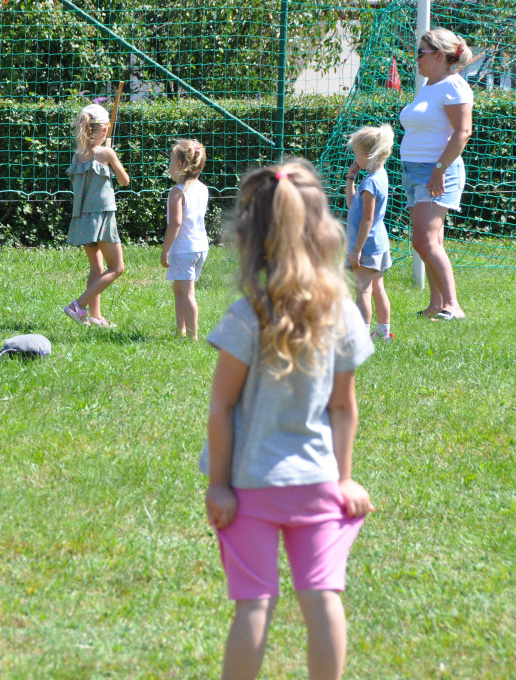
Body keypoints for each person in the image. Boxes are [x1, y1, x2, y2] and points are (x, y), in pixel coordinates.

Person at [201, 161, 376, 680]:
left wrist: (219, 485)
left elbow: (222, 405)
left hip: (250, 487)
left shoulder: (245, 316)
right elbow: (343, 406)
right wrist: (343, 480)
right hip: (319, 482)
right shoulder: (343, 313)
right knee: (323, 598)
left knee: (254, 604)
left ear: (250, 238)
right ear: (324, 231)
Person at [400, 28, 474, 321]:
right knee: (431, 242)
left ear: (439, 55)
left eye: (421, 52)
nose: (415, 58)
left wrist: (439, 170)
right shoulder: (429, 84)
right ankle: (436, 304)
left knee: (424, 241)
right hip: (414, 171)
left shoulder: (454, 87)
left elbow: (462, 133)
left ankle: (453, 306)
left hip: (438, 172)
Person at [63, 103, 131, 328]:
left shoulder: (77, 156)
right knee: (117, 268)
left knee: (97, 269)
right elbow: (125, 181)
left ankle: (95, 317)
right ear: (104, 131)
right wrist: (111, 159)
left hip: (82, 218)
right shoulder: (106, 153)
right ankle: (78, 306)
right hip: (102, 217)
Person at [344, 125, 394, 341]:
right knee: (377, 289)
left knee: (363, 291)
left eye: (356, 154)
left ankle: (361, 337)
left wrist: (357, 250)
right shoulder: (379, 176)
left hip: (367, 246)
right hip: (380, 244)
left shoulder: (371, 183)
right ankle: (383, 332)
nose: (355, 159)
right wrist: (350, 179)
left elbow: (367, 218)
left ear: (367, 155)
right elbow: (352, 205)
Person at [160, 139, 209, 339]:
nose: (169, 166)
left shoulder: (177, 192)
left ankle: (192, 335)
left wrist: (165, 250)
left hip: (183, 249)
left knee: (187, 293)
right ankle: (180, 331)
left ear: (180, 164)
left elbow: (176, 223)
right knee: (179, 289)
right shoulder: (202, 188)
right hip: (200, 247)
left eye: (171, 162)